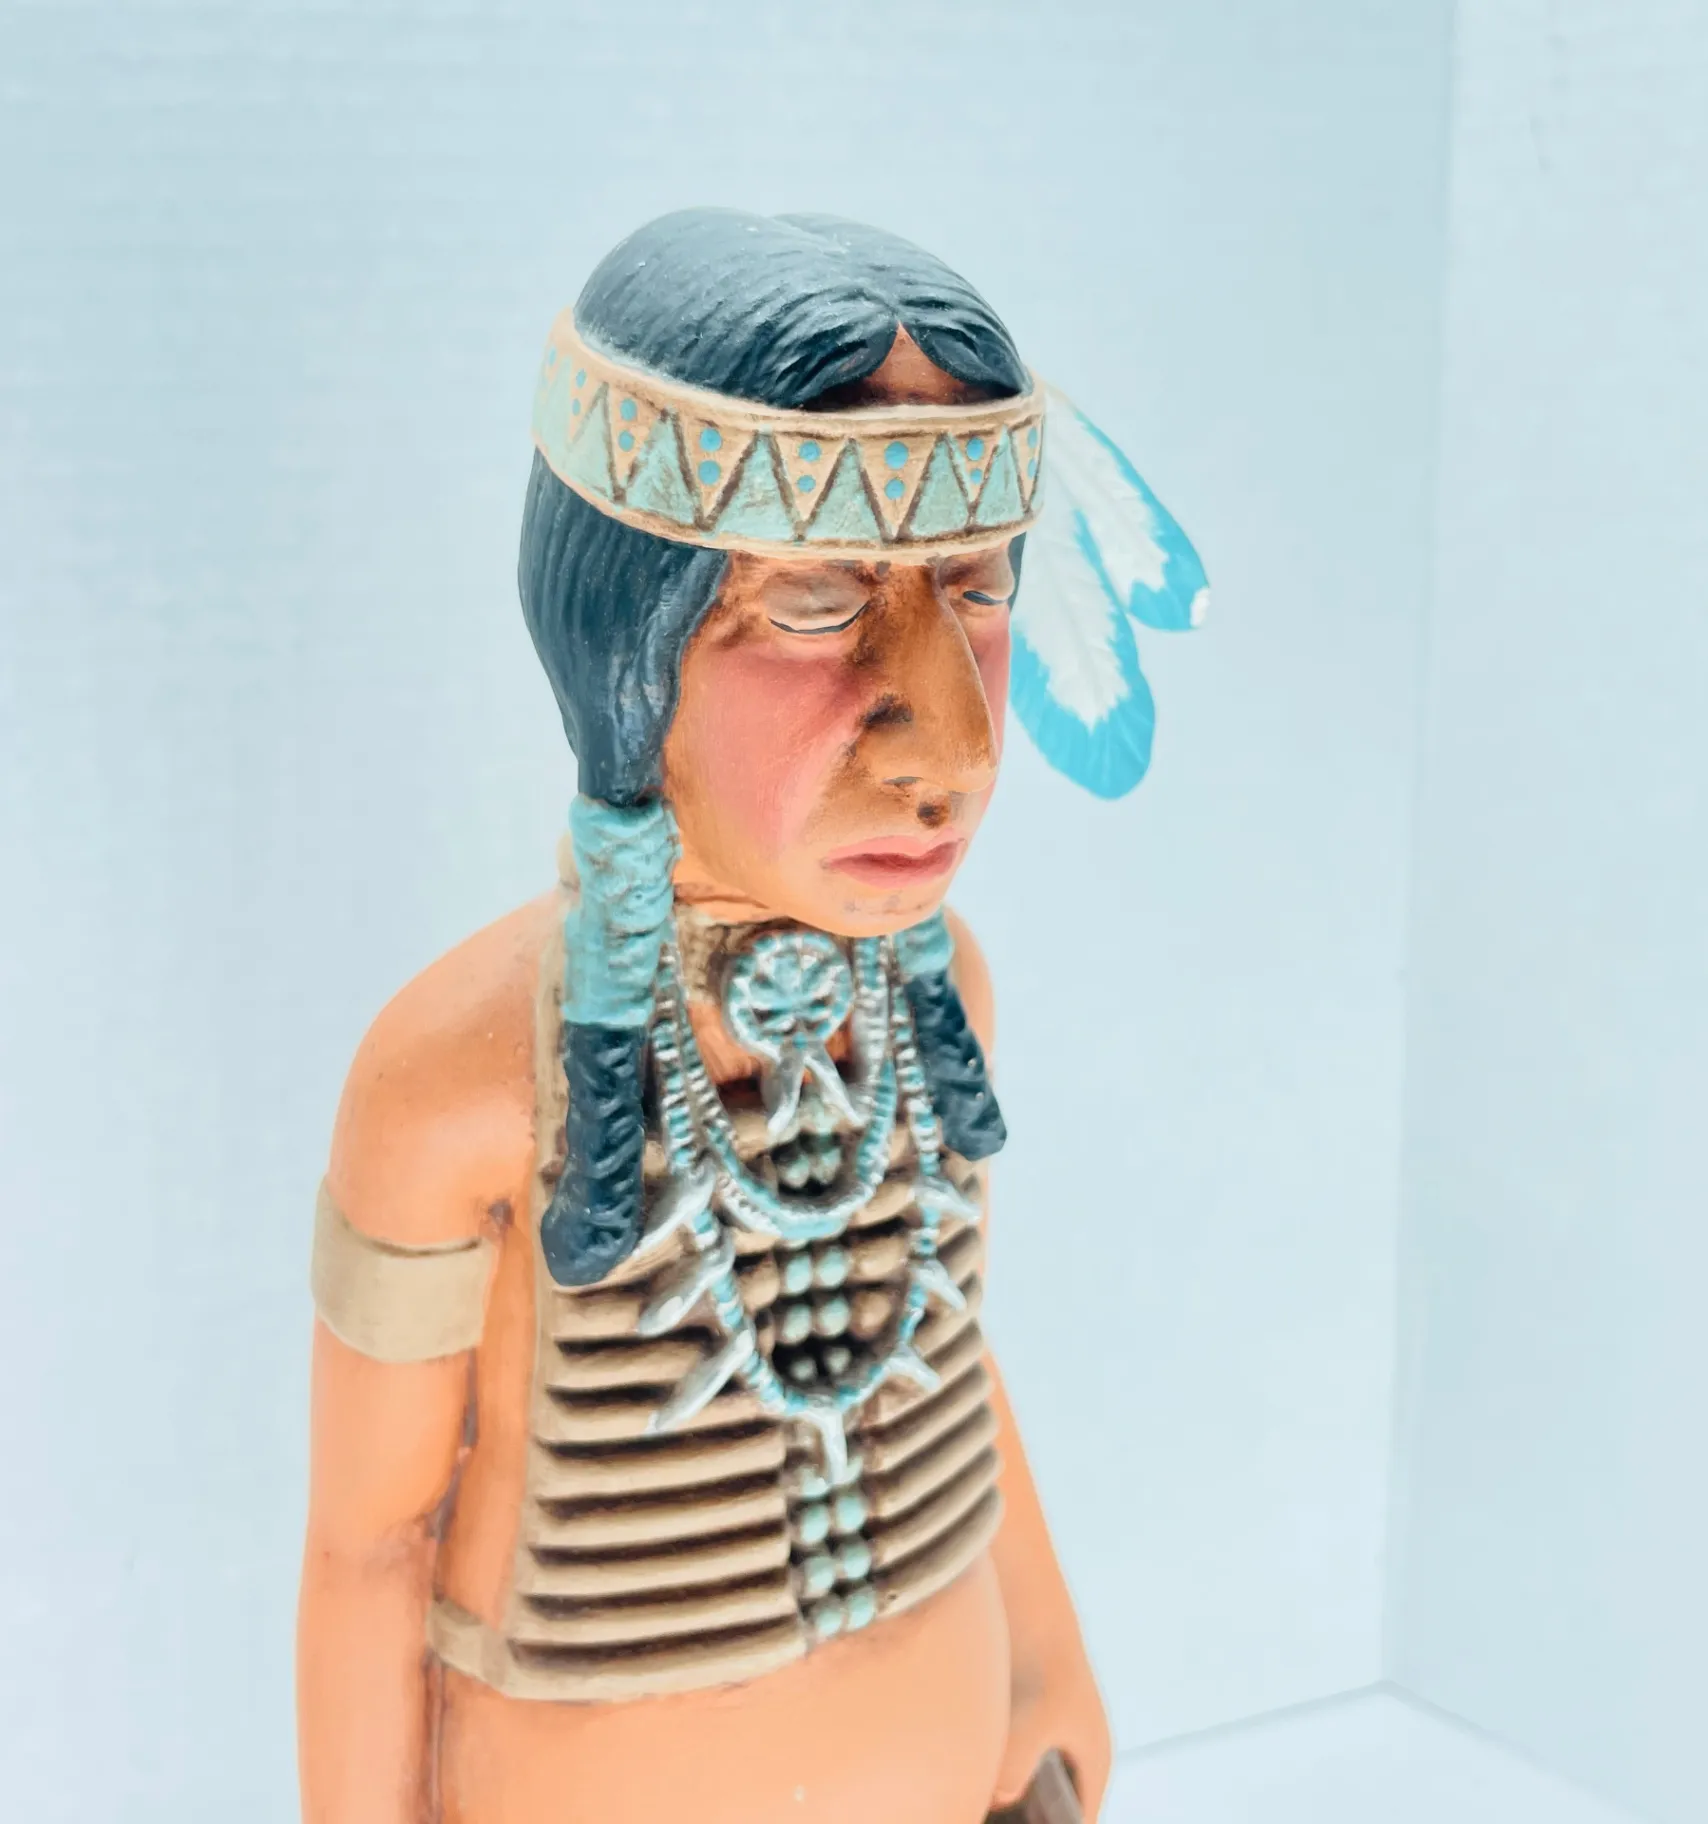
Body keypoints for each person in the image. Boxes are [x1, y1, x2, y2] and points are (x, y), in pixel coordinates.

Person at [298, 207, 1203, 1824]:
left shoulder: (944, 996)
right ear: (628, 639)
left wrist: (1047, 1665)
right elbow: (371, 1548)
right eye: (815, 604)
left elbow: (946, 1353)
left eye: (977, 591)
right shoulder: (455, 1091)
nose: (954, 746)